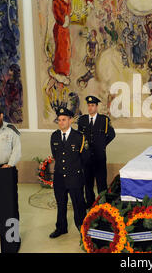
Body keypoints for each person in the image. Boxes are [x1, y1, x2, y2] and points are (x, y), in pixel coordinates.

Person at [49, 107, 87, 239]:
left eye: (64, 120)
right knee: (61, 204)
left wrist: (77, 171)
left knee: (78, 205)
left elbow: (85, 158)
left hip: (74, 177)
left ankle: (83, 230)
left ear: (70, 120)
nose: (61, 122)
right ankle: (61, 227)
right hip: (59, 177)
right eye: (59, 120)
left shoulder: (79, 137)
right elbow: (56, 156)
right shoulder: (54, 136)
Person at [77, 96, 116, 209]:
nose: (90, 108)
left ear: (97, 107)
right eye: (89, 105)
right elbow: (79, 137)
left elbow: (112, 134)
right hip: (86, 158)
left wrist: (102, 145)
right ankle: (90, 204)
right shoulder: (82, 120)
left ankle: (103, 205)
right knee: (88, 183)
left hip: (99, 157)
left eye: (92, 105)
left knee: (101, 183)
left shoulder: (104, 120)